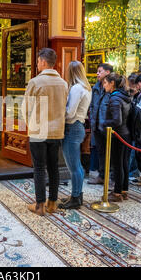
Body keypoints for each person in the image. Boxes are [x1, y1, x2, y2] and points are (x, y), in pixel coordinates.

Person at [21, 48, 68, 216]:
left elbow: (26, 109)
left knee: (39, 168)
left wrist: (31, 124)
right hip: (56, 132)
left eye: (38, 61)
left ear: (42, 61)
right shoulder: (63, 83)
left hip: (38, 131)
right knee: (54, 167)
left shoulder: (35, 82)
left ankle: (40, 205)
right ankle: (53, 203)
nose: (37, 64)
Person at [58, 61, 92, 209]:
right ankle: (76, 195)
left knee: (74, 166)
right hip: (79, 126)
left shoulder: (76, 88)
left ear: (70, 72)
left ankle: (76, 198)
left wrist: (57, 116)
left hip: (72, 127)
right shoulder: (86, 87)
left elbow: (70, 112)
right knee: (76, 165)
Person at [102, 73, 131, 202]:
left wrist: (104, 123)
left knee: (118, 164)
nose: (104, 86)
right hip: (126, 134)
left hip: (118, 134)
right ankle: (124, 190)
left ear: (112, 83)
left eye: (105, 83)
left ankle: (117, 193)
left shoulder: (114, 98)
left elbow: (117, 120)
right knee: (123, 162)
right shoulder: (124, 96)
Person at [87, 63, 113, 185]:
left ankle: (112, 178)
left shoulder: (113, 88)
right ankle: (102, 175)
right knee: (100, 152)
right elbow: (92, 106)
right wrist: (93, 120)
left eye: (100, 71)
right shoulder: (96, 87)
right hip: (96, 126)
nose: (97, 74)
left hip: (109, 127)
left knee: (111, 153)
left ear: (107, 73)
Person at [128, 72, 140, 179]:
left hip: (135, 128)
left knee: (133, 152)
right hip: (130, 128)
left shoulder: (140, 96)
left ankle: (133, 172)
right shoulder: (129, 94)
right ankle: (133, 171)